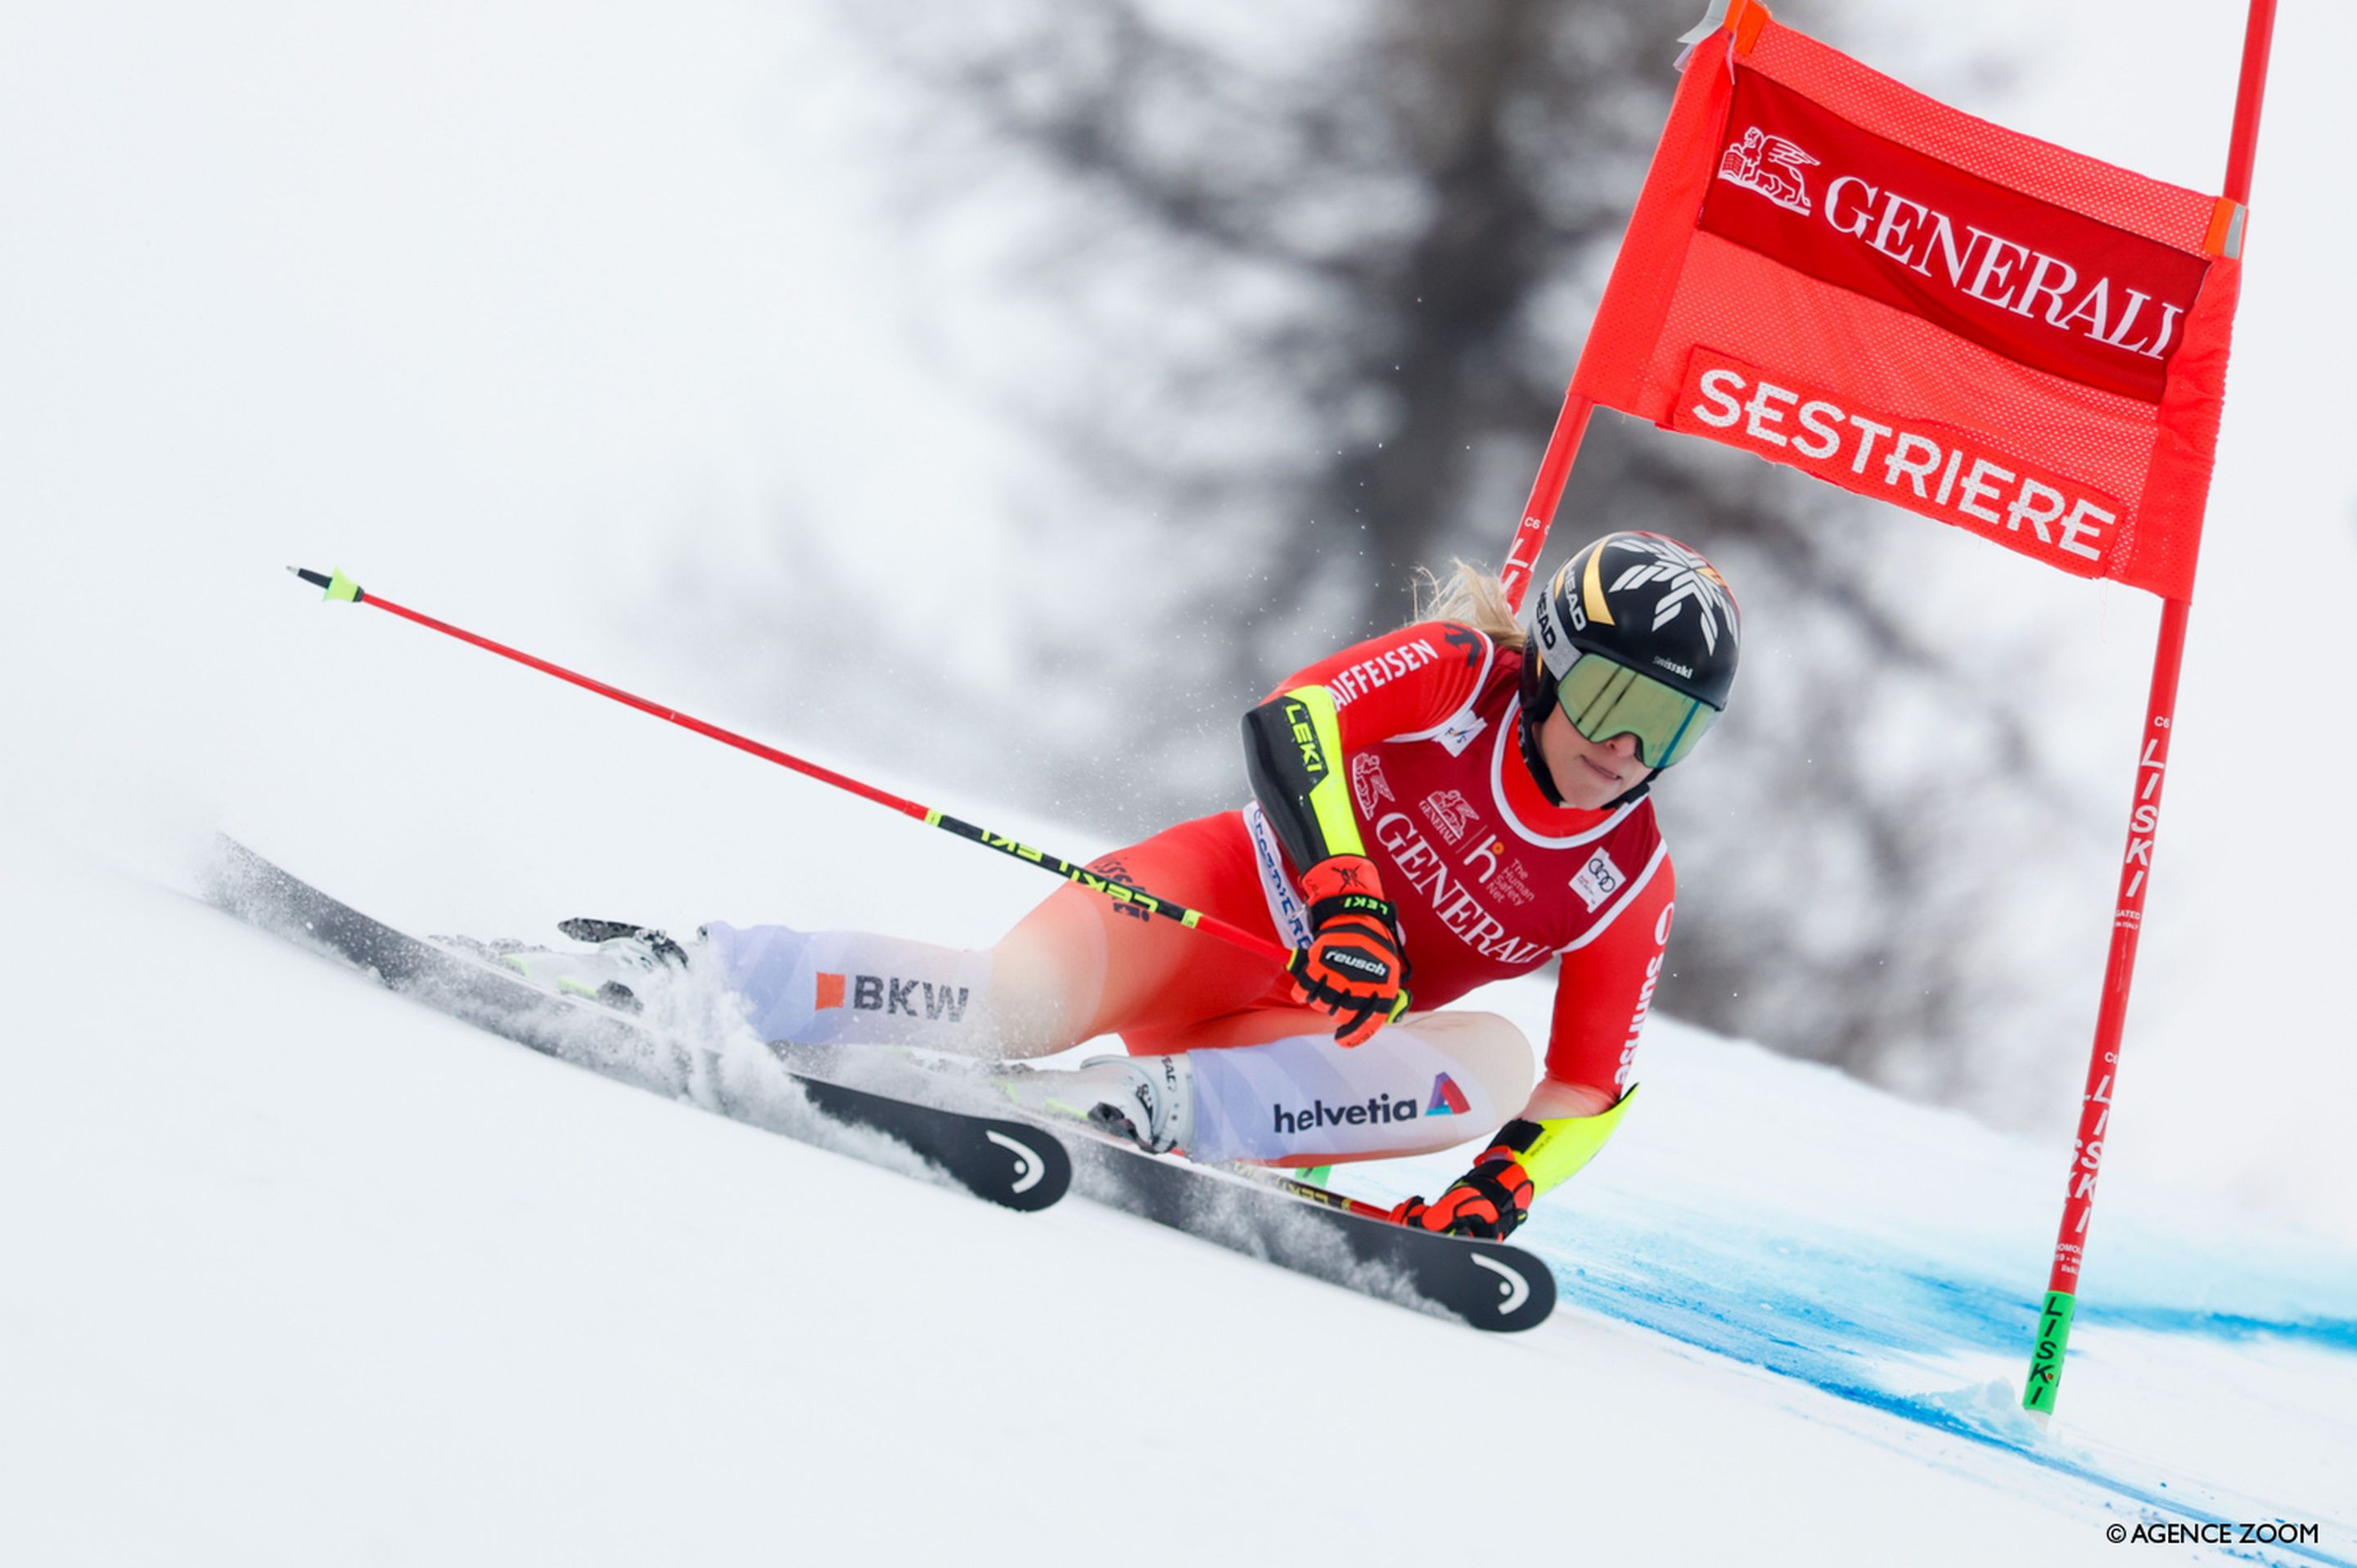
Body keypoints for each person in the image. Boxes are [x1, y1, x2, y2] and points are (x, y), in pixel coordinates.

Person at [502, 530, 1739, 1240]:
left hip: (1291, 1040)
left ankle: (1134, 1109)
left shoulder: (1629, 876)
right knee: (1009, 1008)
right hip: (1205, 911)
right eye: (1616, 698)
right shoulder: (1465, 674)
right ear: (1554, 665)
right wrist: (1351, 891)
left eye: (1673, 732)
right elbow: (1294, 715)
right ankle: (698, 970)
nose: (1628, 750)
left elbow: (1590, 1083)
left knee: (1495, 1060)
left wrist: (1497, 1187)